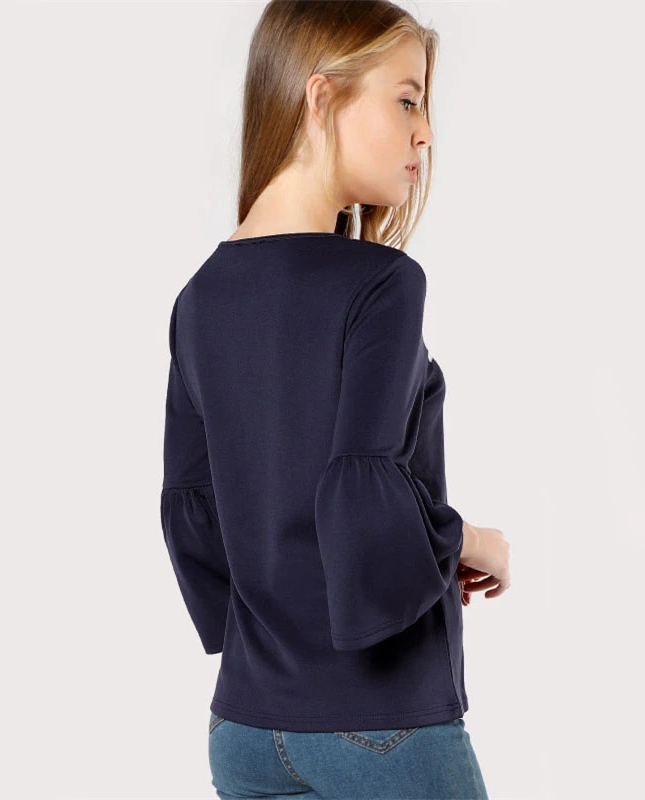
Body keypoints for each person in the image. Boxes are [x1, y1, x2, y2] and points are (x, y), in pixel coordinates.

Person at [159, 1, 511, 797]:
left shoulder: (198, 298)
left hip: (244, 729)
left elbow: (195, 510)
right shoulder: (382, 284)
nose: (425, 133)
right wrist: (471, 542)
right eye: (407, 101)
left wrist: (410, 555)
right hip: (378, 721)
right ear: (320, 97)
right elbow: (362, 495)